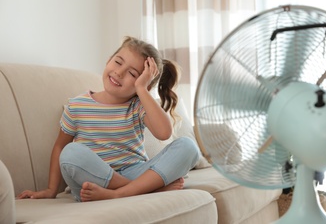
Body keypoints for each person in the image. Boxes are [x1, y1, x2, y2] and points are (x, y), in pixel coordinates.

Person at [17, 36, 200, 202]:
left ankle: (119, 193)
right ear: (108, 60)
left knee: (189, 147)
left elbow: (164, 132)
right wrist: (50, 189)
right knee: (70, 152)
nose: (119, 73)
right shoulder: (77, 106)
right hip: (91, 179)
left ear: (143, 83)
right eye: (118, 62)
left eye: (133, 74)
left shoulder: (138, 106)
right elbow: (60, 146)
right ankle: (144, 188)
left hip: (134, 172)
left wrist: (142, 90)